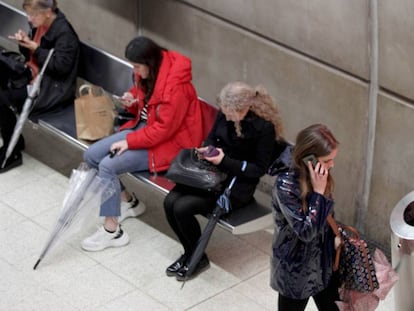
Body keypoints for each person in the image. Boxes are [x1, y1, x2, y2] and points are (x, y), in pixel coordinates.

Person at [81, 36, 205, 252]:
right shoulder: (150, 73)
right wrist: (133, 100)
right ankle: (129, 202)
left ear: (150, 62)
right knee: (91, 155)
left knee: (108, 166)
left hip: (170, 145)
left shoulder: (176, 87)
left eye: (137, 66)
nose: (135, 70)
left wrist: (129, 141)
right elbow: (145, 99)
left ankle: (113, 231)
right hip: (145, 130)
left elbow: (164, 130)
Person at [164, 81, 284, 281]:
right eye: (224, 111)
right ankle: (190, 253)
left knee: (181, 208)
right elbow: (211, 138)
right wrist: (208, 150)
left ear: (243, 108)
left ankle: (196, 257)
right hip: (210, 175)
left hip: (235, 187)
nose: (226, 116)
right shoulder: (225, 113)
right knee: (169, 202)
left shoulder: (263, 128)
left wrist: (224, 160)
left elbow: (258, 169)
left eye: (229, 113)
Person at [0, 0, 79, 173]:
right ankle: (12, 140)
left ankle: (12, 150)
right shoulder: (41, 24)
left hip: (50, 90)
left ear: (48, 12)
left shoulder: (65, 35)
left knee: (2, 99)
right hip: (32, 76)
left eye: (33, 14)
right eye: (28, 14)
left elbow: (60, 69)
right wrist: (25, 44)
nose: (30, 19)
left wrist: (36, 49)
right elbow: (32, 57)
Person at [269, 123, 340, 311]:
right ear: (309, 159)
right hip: (296, 268)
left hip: (323, 260)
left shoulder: (318, 176)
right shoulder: (286, 185)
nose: (332, 165)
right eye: (327, 160)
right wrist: (318, 193)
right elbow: (306, 231)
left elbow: (327, 215)